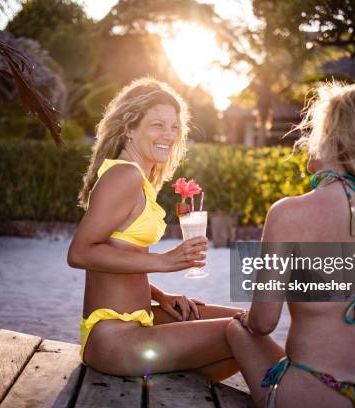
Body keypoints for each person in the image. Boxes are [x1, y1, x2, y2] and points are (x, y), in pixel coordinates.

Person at [225, 82, 355, 407]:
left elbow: (262, 323)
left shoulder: (288, 213)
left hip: (320, 390)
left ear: (332, 136)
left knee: (233, 330)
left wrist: (242, 318)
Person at [67, 77, 243, 381]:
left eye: (174, 127)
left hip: (139, 321)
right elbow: (80, 253)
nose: (169, 135)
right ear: (129, 129)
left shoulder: (137, 179)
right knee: (242, 332)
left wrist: (160, 295)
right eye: (157, 125)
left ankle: (175, 389)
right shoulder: (125, 176)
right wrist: (162, 262)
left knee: (244, 323)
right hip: (114, 337)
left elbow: (118, 256)